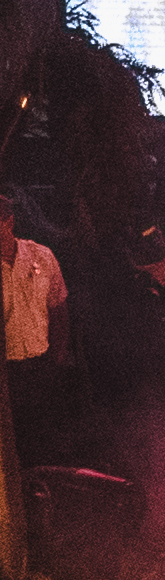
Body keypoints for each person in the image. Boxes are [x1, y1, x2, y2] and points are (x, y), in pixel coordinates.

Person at [0, 197, 69, 477]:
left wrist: (59, 357)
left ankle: (46, 496)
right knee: (13, 444)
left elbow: (59, 308)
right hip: (7, 373)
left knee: (45, 439)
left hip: (42, 365)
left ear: (9, 222)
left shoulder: (42, 256)